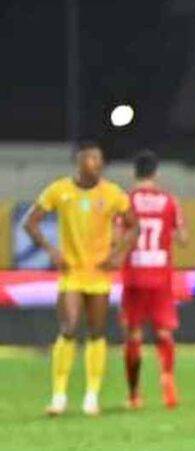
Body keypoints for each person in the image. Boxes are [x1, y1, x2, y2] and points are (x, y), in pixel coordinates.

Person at [23, 141, 137, 416]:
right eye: (91, 160)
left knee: (97, 332)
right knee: (69, 327)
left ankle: (91, 396)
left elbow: (135, 225)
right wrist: (51, 251)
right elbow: (30, 222)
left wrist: (118, 254)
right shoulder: (60, 191)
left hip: (99, 273)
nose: (96, 165)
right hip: (72, 273)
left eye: (99, 160)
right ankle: (59, 396)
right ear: (79, 162)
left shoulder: (111, 193)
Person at [121, 150, 188, 410]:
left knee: (133, 333)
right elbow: (183, 238)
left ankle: (134, 394)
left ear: (134, 172)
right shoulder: (169, 201)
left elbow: (118, 236)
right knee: (163, 331)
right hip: (160, 274)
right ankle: (167, 376)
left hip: (135, 273)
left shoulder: (127, 201)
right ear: (155, 172)